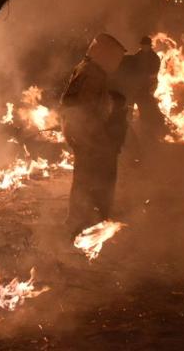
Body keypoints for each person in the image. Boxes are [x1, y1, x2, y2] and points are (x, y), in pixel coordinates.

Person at [60, 33, 128, 233]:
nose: (117, 62)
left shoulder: (87, 68)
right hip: (88, 134)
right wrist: (99, 136)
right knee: (94, 176)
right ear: (104, 54)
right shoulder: (93, 73)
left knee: (86, 176)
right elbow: (84, 107)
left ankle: (83, 218)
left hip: (83, 133)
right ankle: (88, 220)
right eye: (115, 57)